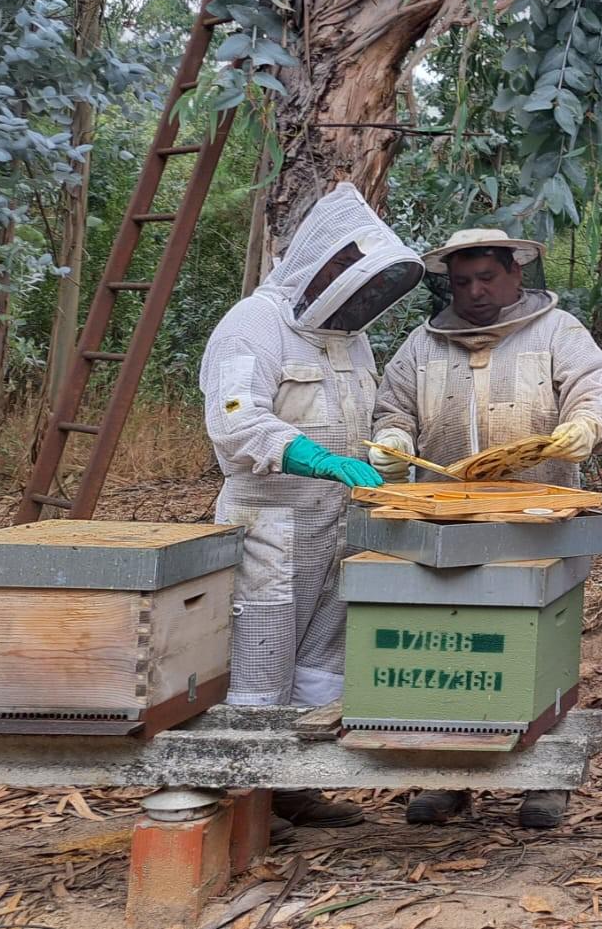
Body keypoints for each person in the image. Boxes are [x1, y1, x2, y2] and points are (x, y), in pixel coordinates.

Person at [370, 228, 602, 830]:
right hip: (447, 517)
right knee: (451, 647)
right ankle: (443, 777)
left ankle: (543, 781)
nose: (475, 292)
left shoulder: (559, 332)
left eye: (487, 278)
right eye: (461, 283)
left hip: (540, 515)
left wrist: (586, 424)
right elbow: (393, 408)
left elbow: (591, 389)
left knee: (543, 648)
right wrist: (395, 440)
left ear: (517, 274)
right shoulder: (421, 346)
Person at [199, 183, 423, 829]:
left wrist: (383, 448)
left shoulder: (349, 339)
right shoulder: (251, 324)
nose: (359, 302)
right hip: (269, 522)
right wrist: (319, 459)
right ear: (321, 267)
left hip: (338, 521)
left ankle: (295, 785)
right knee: (260, 660)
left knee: (322, 657)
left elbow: (367, 415)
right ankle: (244, 802)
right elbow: (236, 422)